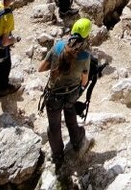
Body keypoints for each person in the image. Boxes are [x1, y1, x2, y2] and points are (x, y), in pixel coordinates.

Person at [40, 17, 105, 163]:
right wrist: (79, 87)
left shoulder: (58, 47)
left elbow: (41, 68)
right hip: (72, 94)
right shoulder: (85, 56)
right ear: (86, 37)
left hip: (53, 95)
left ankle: (58, 156)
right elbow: (84, 81)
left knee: (54, 126)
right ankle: (76, 140)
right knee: (70, 114)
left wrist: (56, 65)